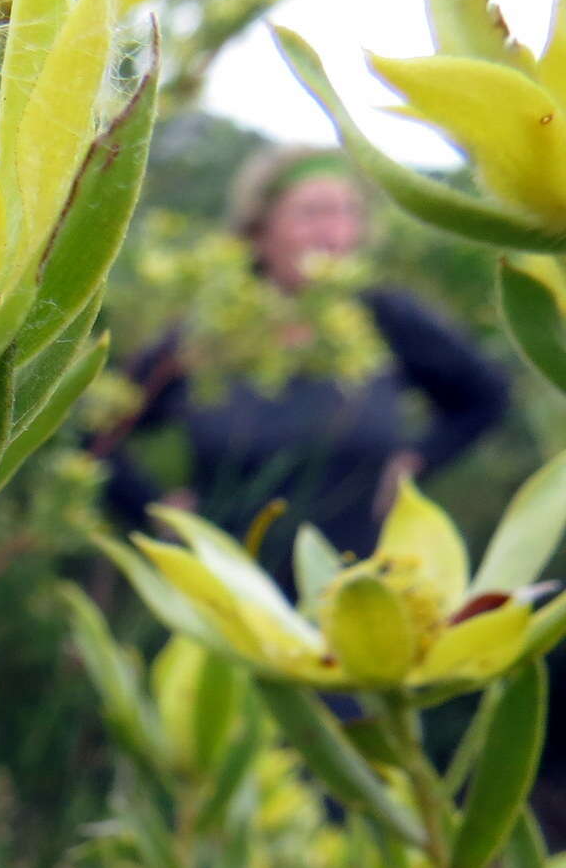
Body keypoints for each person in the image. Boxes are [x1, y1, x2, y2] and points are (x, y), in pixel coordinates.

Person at [97, 146, 509, 572]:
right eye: (311, 213)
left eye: (348, 212)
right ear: (259, 229)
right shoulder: (210, 333)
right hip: (232, 591)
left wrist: (415, 462)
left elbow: (486, 396)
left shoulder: (385, 318)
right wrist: (152, 513)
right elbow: (98, 431)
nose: (333, 234)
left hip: (354, 584)